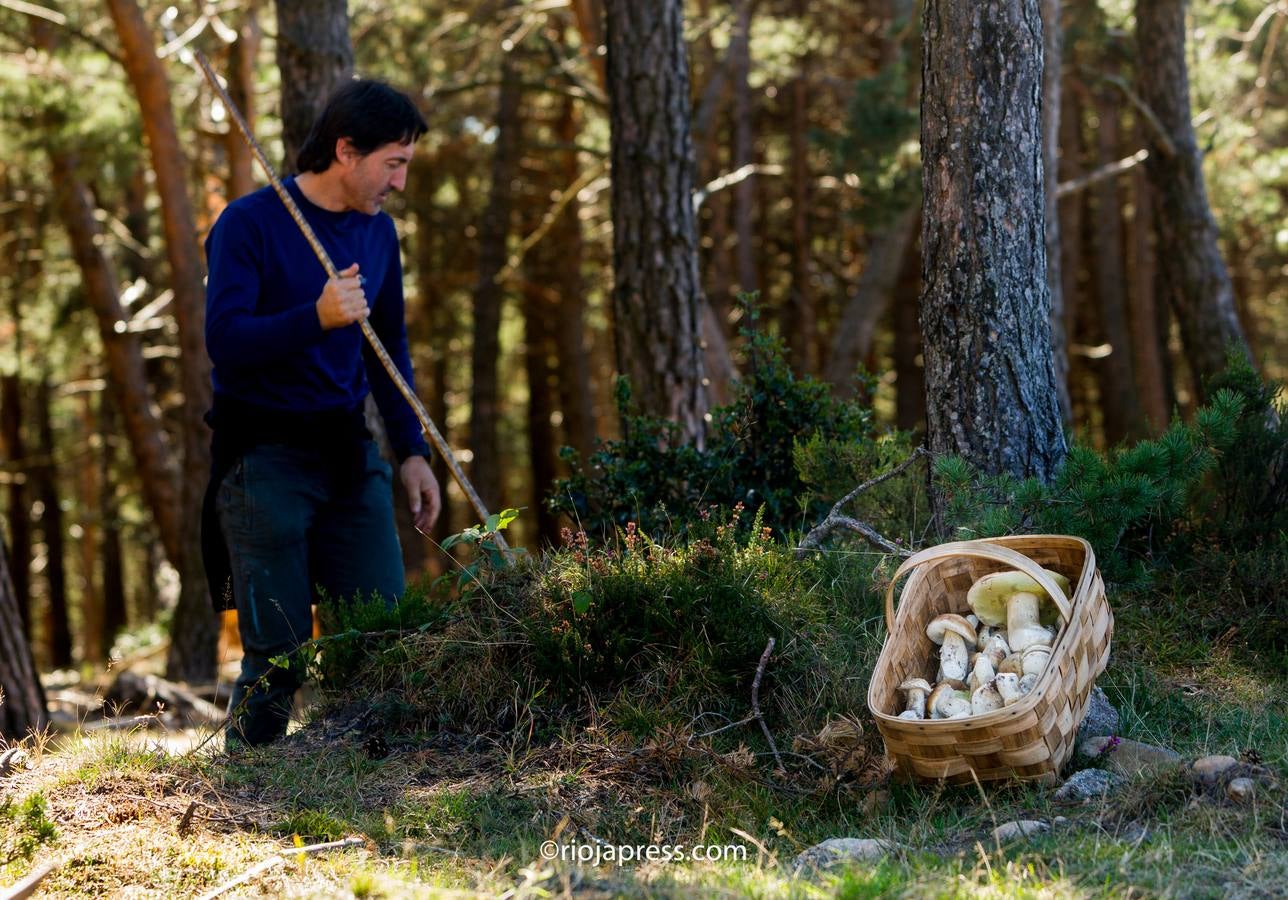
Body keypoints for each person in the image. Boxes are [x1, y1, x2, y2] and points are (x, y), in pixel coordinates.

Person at [201, 79, 441, 748]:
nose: (398, 181)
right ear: (345, 150)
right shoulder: (250, 223)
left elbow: (386, 346)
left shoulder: (377, 234)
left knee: (382, 630)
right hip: (264, 456)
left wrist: (412, 450)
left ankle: (370, 777)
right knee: (278, 654)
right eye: (392, 163)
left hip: (348, 452)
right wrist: (316, 317)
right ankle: (249, 789)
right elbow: (225, 340)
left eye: (406, 165)